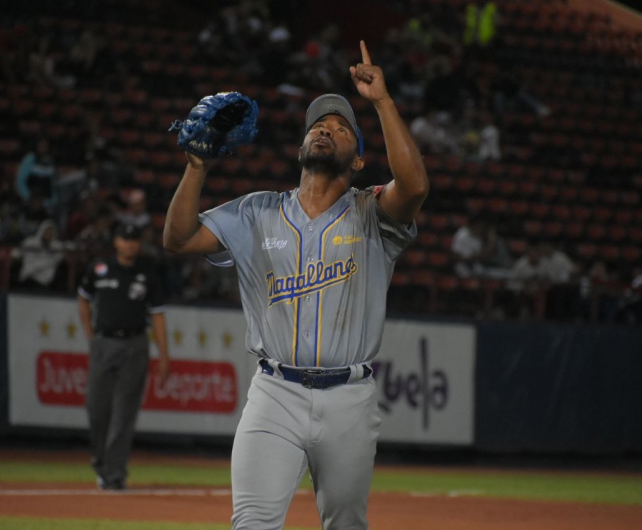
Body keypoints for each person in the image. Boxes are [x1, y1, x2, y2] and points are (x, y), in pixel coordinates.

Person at [163, 41, 428, 530]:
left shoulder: (371, 211)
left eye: (342, 127)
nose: (326, 128)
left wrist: (383, 103)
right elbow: (177, 238)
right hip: (274, 393)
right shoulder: (255, 211)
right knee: (252, 523)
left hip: (350, 398)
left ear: (358, 163)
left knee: (345, 525)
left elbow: (414, 187)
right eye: (318, 126)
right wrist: (196, 167)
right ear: (302, 147)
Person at [77, 223, 171, 490]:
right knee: (96, 408)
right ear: (116, 241)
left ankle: (115, 474)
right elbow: (83, 298)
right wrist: (90, 334)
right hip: (104, 342)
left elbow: (158, 316)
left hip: (135, 345)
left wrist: (164, 354)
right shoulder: (99, 268)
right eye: (125, 239)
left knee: (123, 413)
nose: (130, 244)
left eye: (134, 239)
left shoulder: (148, 274)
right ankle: (101, 463)